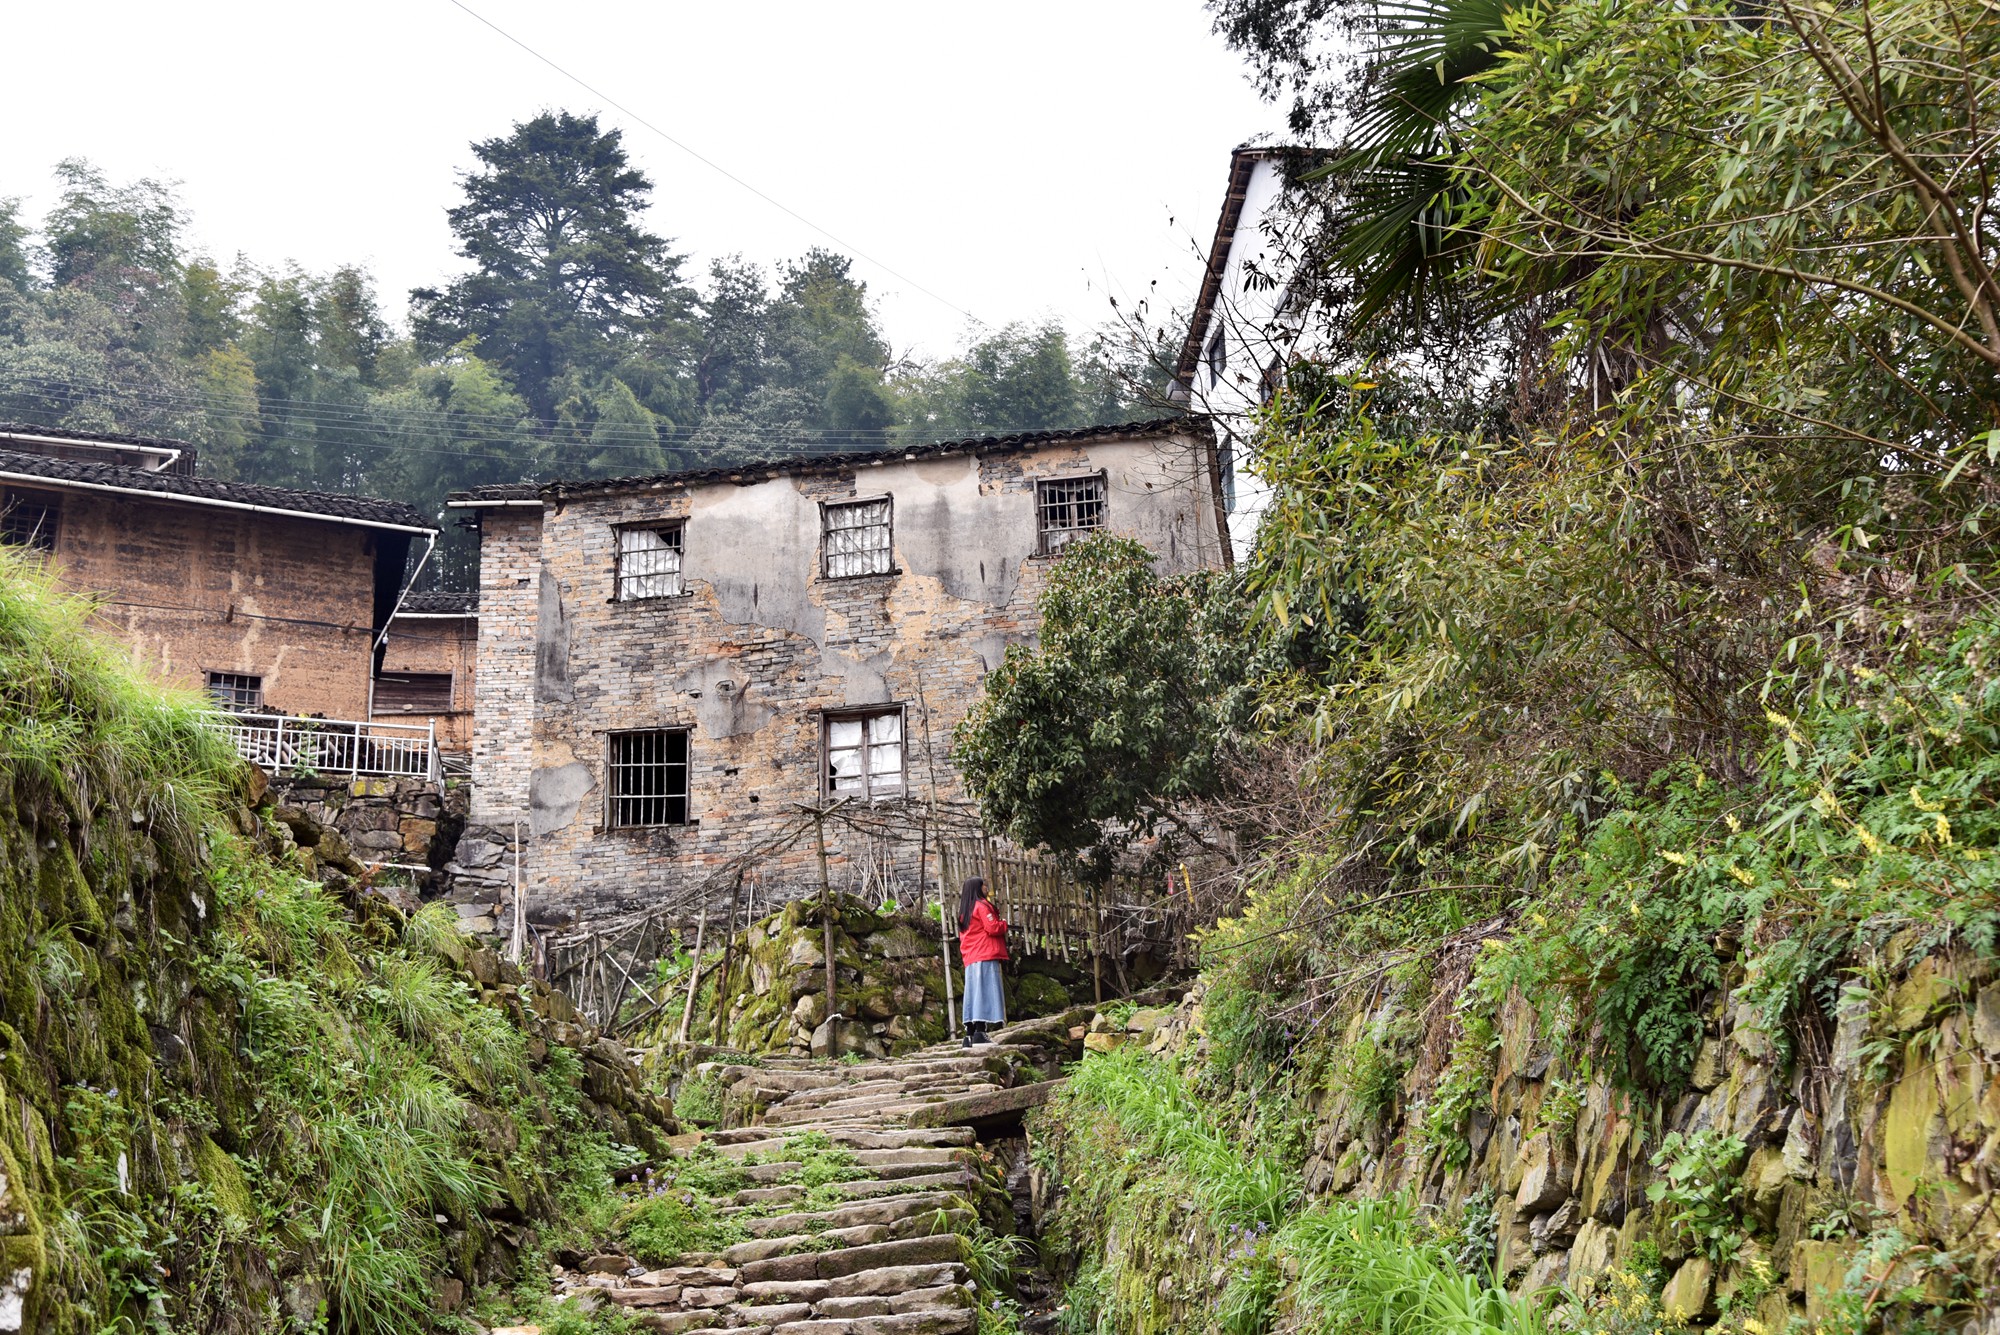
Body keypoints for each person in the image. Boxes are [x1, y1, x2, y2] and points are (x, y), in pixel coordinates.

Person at [956, 876, 1008, 1046]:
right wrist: (1004, 924)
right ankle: (980, 1031)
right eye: (985, 886)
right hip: (985, 953)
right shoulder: (981, 906)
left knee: (973, 993)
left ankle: (969, 1033)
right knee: (984, 992)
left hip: (970, 956)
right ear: (977, 888)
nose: (987, 889)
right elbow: (992, 928)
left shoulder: (964, 910)